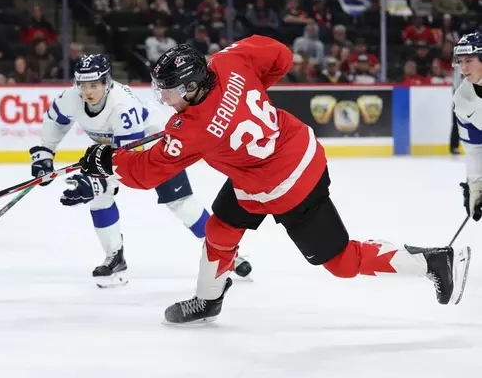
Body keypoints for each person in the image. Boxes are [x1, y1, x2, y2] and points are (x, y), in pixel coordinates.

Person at [79, 36, 471, 323]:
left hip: (288, 186)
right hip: (268, 166)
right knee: (220, 229)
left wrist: (106, 160)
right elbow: (280, 55)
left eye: (169, 92)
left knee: (339, 260)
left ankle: (433, 263)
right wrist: (247, 96)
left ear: (193, 86)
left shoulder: (192, 131)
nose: (163, 100)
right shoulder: (226, 61)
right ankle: (208, 299)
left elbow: (146, 173)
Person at [29, 54, 252, 288]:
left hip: (158, 149)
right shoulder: (70, 98)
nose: (88, 91)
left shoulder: (122, 105)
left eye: (94, 84)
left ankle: (227, 254)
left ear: (107, 82)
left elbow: (129, 161)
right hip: (118, 152)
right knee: (99, 199)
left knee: (182, 205)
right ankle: (115, 257)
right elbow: (55, 122)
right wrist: (44, 154)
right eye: (83, 85)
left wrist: (95, 183)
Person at [452, 32, 482, 221]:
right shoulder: (462, 100)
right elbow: (474, 148)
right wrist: (476, 185)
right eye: (461, 62)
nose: (463, 68)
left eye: (469, 61)